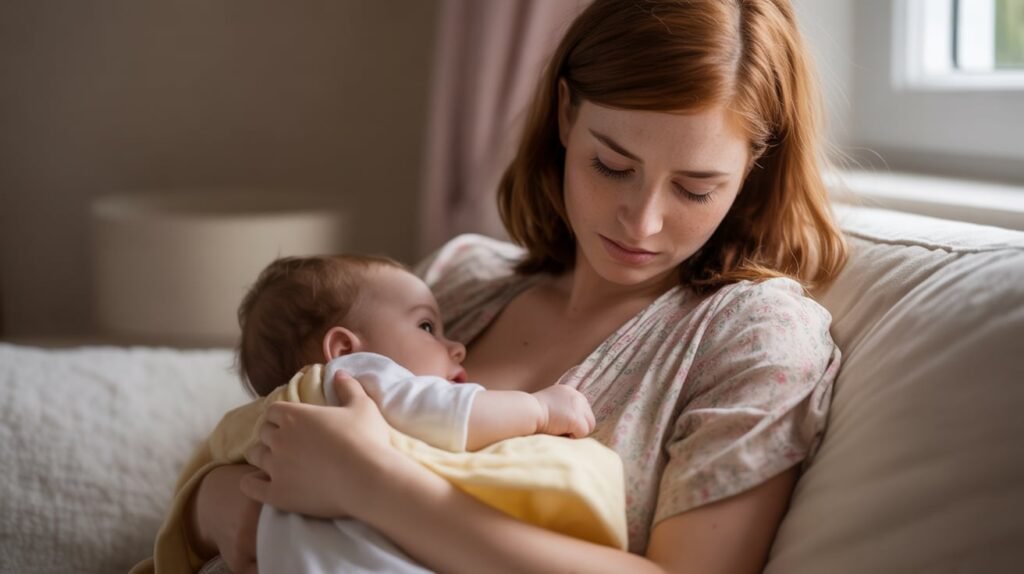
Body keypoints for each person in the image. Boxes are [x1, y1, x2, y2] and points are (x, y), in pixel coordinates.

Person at [189, 0, 850, 571]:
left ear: (754, 167)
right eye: (611, 165)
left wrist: (374, 486)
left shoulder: (753, 339)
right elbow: (261, 436)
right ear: (565, 115)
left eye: (695, 188)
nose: (643, 221)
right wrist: (218, 506)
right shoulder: (457, 284)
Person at [132, 254, 627, 573]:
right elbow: (449, 414)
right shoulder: (352, 378)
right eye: (427, 327)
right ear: (344, 348)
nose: (456, 347)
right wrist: (539, 409)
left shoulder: (265, 418)